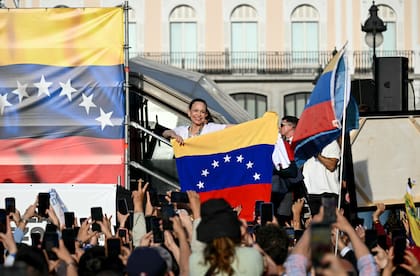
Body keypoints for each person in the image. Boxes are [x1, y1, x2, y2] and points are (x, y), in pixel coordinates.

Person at [188, 194, 264, 275]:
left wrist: (196, 214)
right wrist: (247, 237)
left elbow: (197, 247)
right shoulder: (252, 257)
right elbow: (272, 268)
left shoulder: (196, 261)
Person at [162, 98, 230, 145]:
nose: (199, 114)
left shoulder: (210, 128)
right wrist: (174, 135)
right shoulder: (182, 130)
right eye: (195, 111)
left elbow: (232, 128)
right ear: (189, 112)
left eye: (202, 112)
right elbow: (165, 133)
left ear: (206, 115)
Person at [302, 139, 341, 215]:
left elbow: (332, 166)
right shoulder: (306, 144)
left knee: (328, 225)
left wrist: (318, 155)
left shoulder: (331, 143)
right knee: (316, 226)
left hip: (328, 193)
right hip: (311, 194)